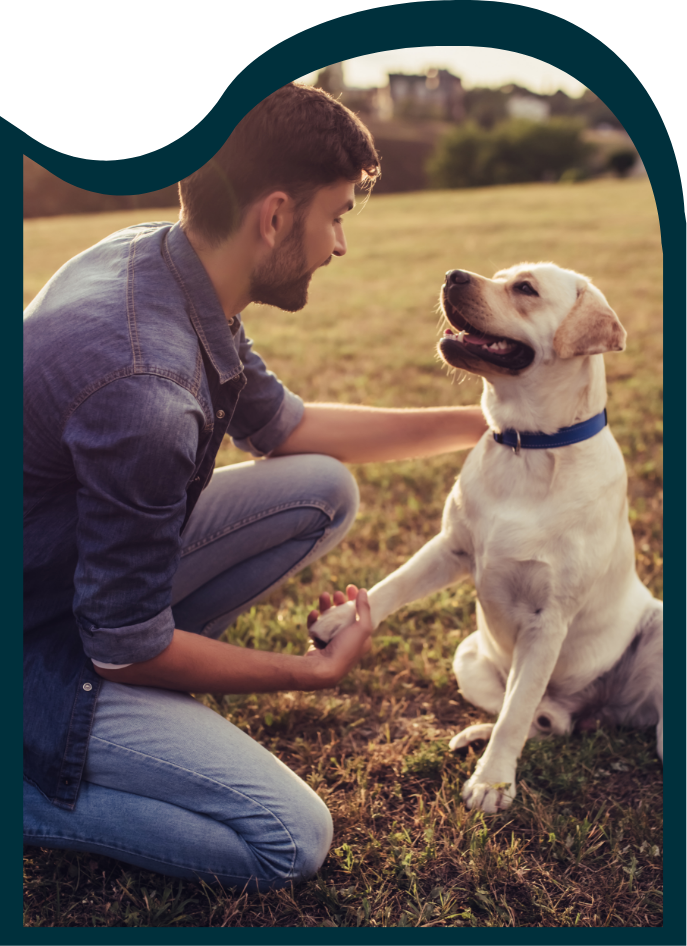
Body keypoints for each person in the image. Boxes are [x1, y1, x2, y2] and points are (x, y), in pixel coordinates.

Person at [23, 83, 487, 890]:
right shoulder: (148, 391)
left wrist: (483, 425)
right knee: (289, 838)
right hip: (40, 647)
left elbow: (290, 428)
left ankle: (147, 716)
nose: (339, 244)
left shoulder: (160, 261)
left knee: (321, 487)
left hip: (64, 576)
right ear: (274, 216)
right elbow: (124, 647)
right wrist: (307, 672)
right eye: (336, 215)